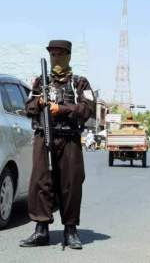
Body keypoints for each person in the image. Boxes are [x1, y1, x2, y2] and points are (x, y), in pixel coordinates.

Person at [19, 40, 96, 249]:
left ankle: (70, 230)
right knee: (40, 183)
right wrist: (40, 103)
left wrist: (60, 110)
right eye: (53, 55)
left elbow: (88, 108)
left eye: (60, 54)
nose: (56, 59)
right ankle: (41, 230)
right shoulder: (39, 83)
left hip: (69, 139)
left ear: (69, 56)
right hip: (44, 137)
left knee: (70, 184)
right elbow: (27, 107)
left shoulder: (80, 83)